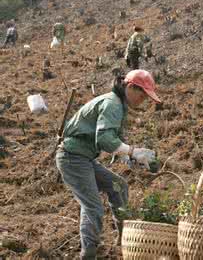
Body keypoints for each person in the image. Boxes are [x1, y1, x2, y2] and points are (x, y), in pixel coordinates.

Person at [56, 70, 161, 259]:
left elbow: (115, 141)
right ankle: (88, 254)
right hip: (73, 158)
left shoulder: (118, 105)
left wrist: (133, 157)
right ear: (130, 87)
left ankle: (125, 241)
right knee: (93, 207)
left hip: (83, 158)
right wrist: (133, 151)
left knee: (119, 186)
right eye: (142, 94)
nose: (143, 100)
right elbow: (104, 139)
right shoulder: (113, 104)